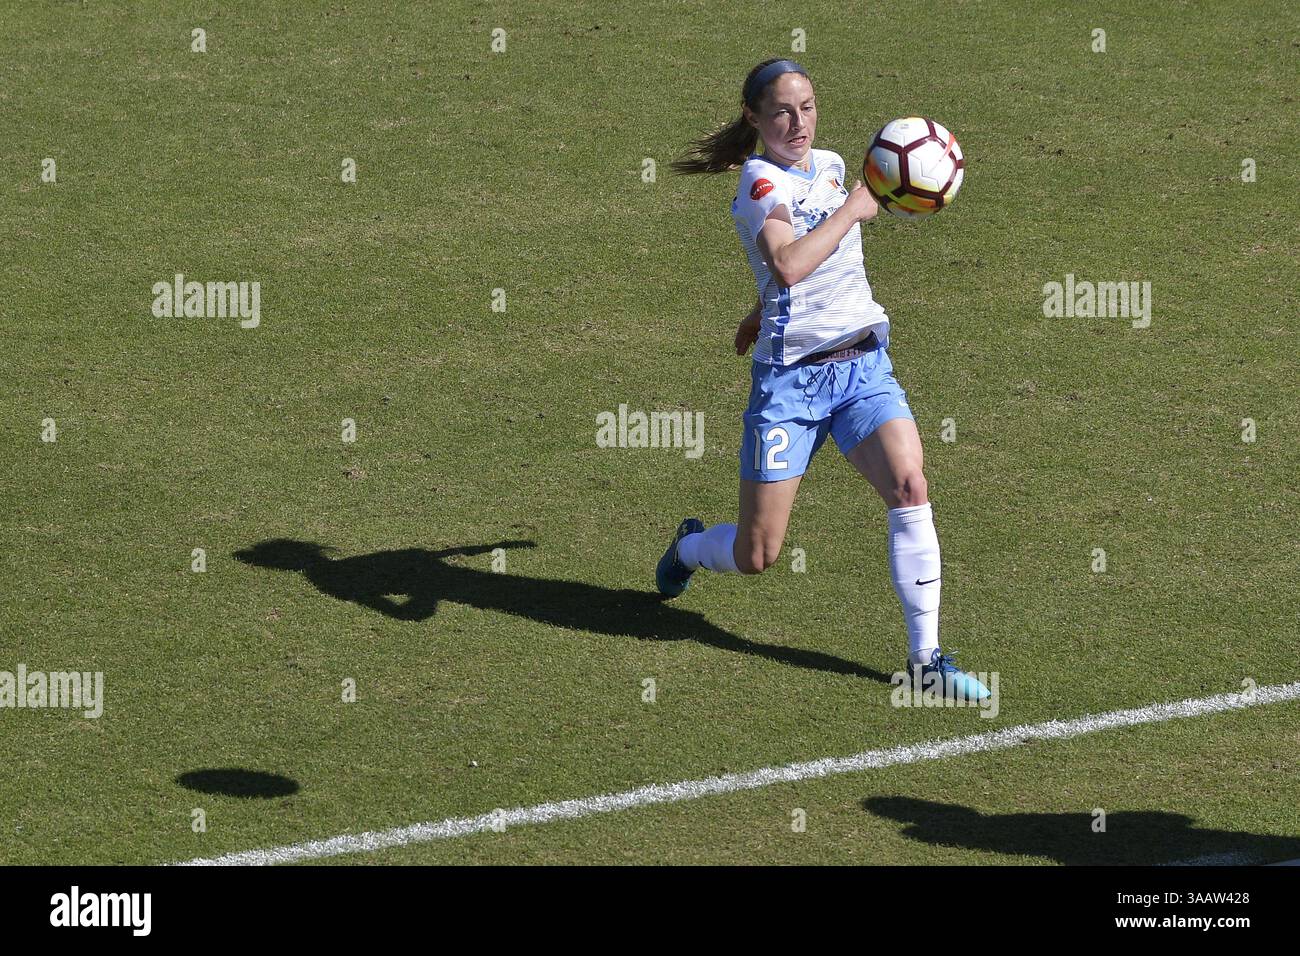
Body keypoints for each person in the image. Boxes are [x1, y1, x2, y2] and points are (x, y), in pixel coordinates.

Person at [660, 57, 988, 699]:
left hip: (863, 365)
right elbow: (786, 262)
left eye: (807, 107)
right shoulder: (759, 184)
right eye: (781, 111)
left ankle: (925, 664)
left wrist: (760, 310)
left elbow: (814, 271)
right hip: (792, 385)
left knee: (910, 483)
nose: (798, 122)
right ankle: (693, 548)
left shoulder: (836, 166)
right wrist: (855, 211)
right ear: (754, 118)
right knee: (758, 554)